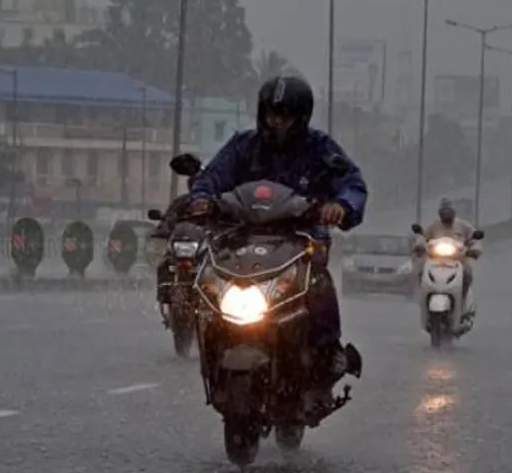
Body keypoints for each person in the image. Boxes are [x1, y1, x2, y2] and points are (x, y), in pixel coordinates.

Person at [185, 74, 366, 397]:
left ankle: (328, 352)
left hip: (299, 239)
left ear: (302, 117)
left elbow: (352, 183)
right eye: (272, 113)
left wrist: (340, 205)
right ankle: (207, 336)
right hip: (242, 239)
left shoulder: (320, 149)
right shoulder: (243, 146)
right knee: (205, 276)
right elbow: (212, 176)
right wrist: (200, 196)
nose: (277, 122)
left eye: (285, 115)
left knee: (319, 283)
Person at [150, 171, 199, 305]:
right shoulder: (181, 203)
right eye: (196, 184)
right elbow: (168, 219)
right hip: (182, 245)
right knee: (164, 264)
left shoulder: (215, 204)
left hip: (203, 248)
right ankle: (164, 295)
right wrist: (162, 229)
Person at [416, 198, 479, 293]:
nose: (446, 214)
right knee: (421, 271)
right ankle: (424, 295)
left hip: (458, 260)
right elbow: (424, 237)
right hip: (435, 260)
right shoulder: (434, 225)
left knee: (467, 273)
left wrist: (474, 250)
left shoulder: (463, 225)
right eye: (443, 212)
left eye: (448, 211)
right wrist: (419, 246)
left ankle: (463, 298)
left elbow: (474, 238)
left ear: (453, 212)